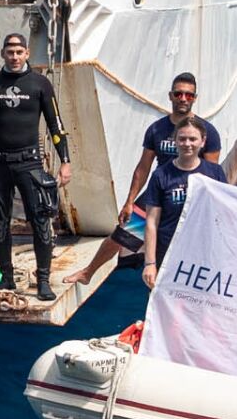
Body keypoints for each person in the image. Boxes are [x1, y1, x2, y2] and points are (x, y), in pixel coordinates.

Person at [61, 72, 219, 285]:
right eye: (179, 94)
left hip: (188, 198)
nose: (183, 99)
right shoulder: (157, 129)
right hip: (159, 191)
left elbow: (212, 174)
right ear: (170, 96)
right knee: (123, 234)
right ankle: (88, 272)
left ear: (195, 98)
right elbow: (143, 167)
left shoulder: (205, 131)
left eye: (189, 95)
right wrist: (129, 201)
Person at [0, 33, 72, 301]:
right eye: (10, 52)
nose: (14, 57)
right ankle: (7, 278)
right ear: (3, 53)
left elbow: (55, 125)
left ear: (26, 54)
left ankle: (43, 280)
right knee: (0, 222)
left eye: (19, 52)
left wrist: (65, 161)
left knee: (39, 221)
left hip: (29, 162)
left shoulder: (40, 84)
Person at [139, 118, 227, 287]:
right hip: (168, 252)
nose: (187, 144)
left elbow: (224, 213)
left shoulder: (215, 172)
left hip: (203, 252)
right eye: (182, 139)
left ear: (203, 142)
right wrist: (150, 264)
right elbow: (151, 222)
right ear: (175, 141)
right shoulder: (160, 175)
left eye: (193, 139)